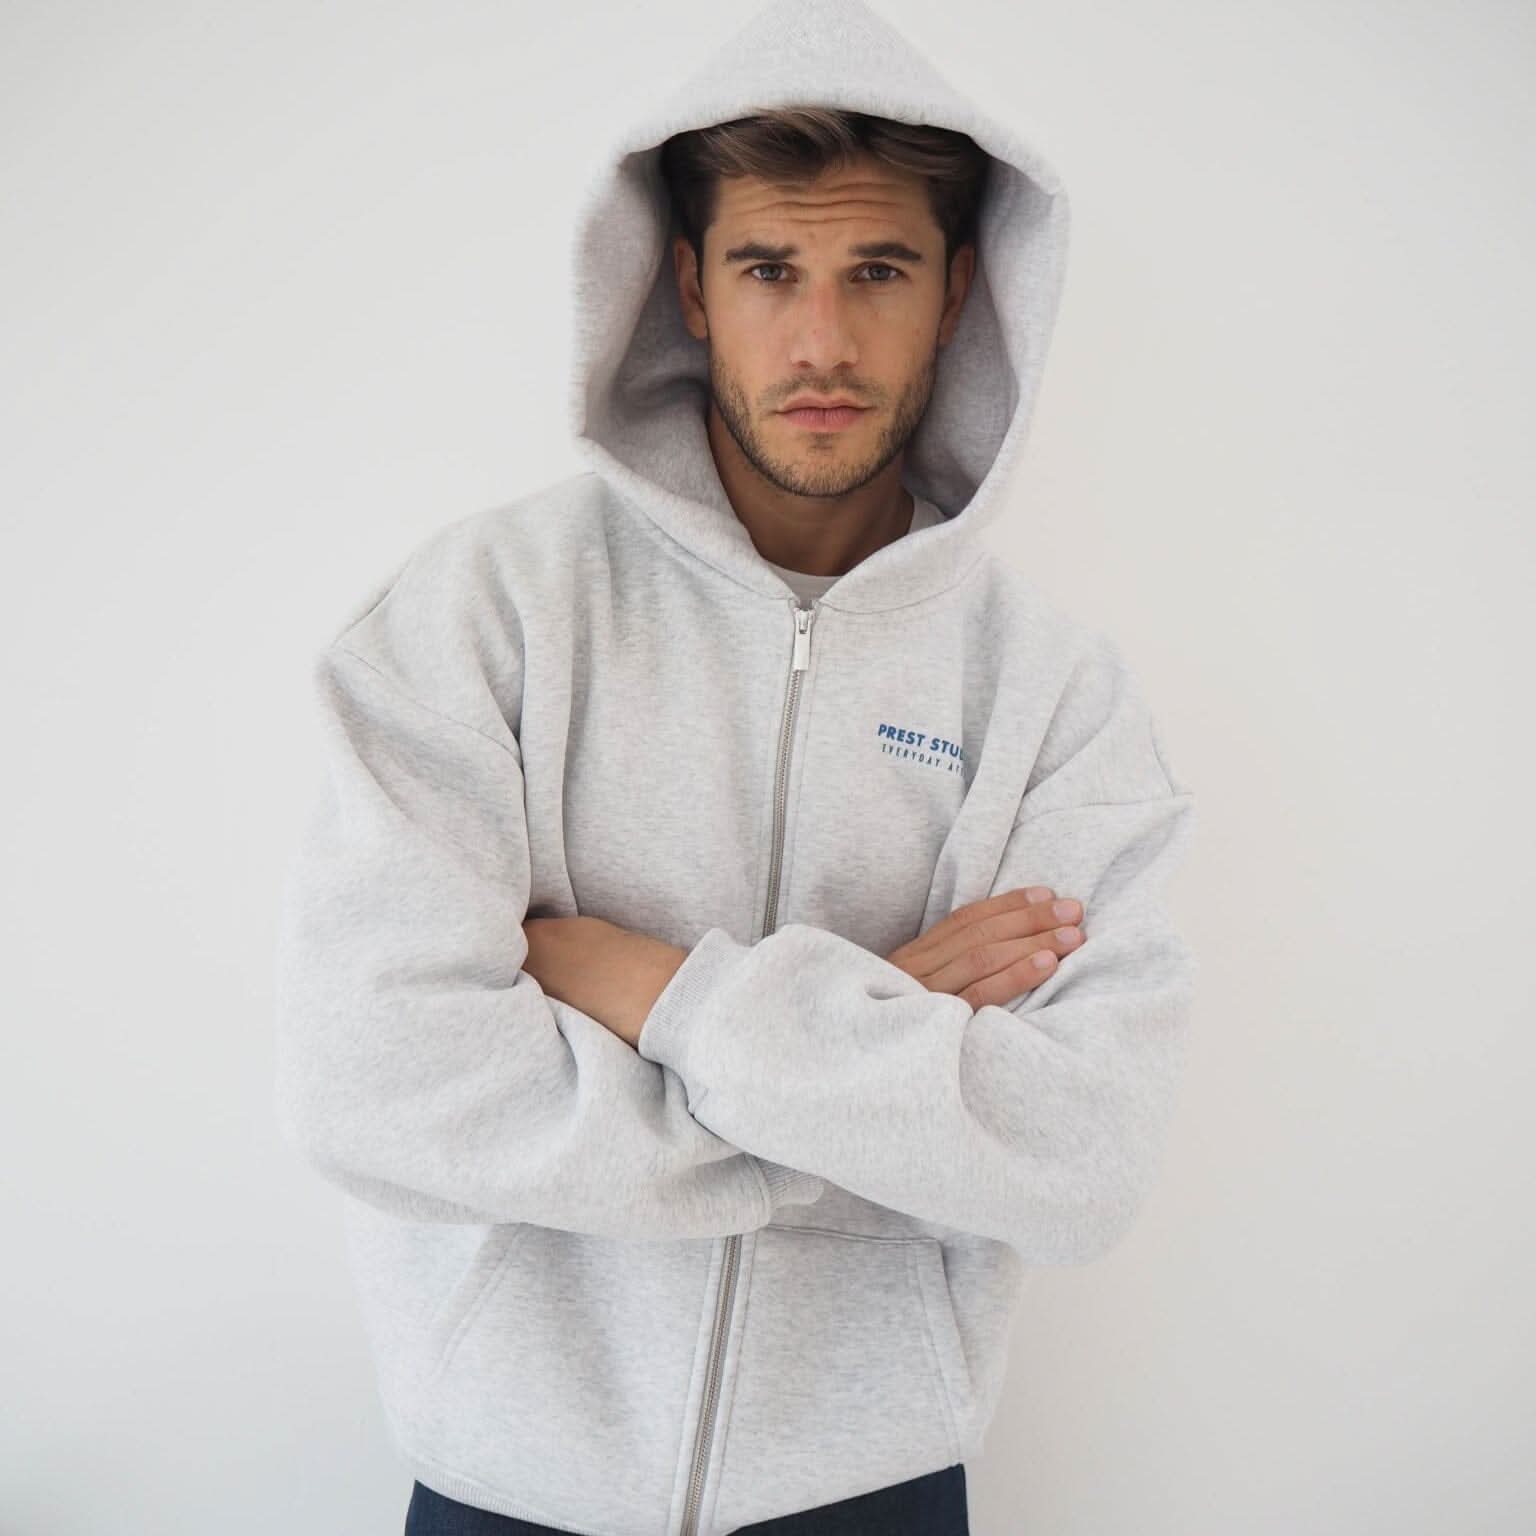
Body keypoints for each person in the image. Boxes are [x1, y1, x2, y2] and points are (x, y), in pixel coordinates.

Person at [271, 0, 1199, 1532]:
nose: (821, 340)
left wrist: (660, 994)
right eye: (769, 269)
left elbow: (1083, 1158)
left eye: (878, 271)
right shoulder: (484, 615)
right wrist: (873, 1055)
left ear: (960, 292)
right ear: (689, 285)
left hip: (874, 1492)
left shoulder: (1053, 697)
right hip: (510, 1487)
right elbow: (372, 1081)